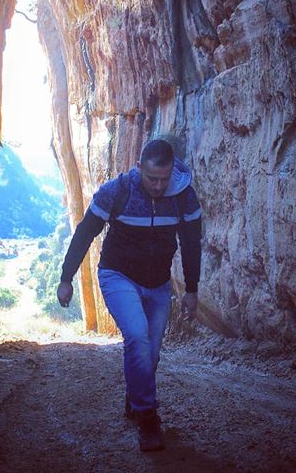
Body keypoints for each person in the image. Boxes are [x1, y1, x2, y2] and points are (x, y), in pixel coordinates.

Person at [56, 139, 202, 452]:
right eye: (152, 179)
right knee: (137, 336)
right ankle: (148, 419)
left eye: (164, 179)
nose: (159, 186)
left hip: (159, 284)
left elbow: (192, 243)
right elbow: (85, 233)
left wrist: (192, 289)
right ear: (139, 169)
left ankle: (135, 395)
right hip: (117, 275)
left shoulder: (183, 196)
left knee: (151, 354)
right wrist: (66, 278)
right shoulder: (116, 192)